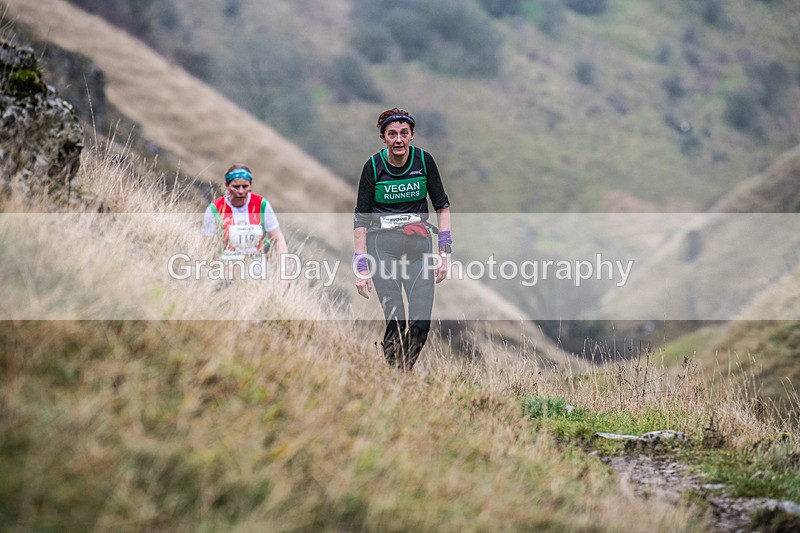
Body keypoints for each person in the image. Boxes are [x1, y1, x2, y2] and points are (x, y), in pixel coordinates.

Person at [353, 108, 452, 371]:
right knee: (396, 321)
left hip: (419, 250)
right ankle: (394, 377)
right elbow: (360, 220)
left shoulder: (424, 161)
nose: (399, 140)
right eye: (392, 134)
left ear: (412, 136)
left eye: (404, 134)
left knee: (421, 324)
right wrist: (361, 268)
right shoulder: (373, 167)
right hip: (381, 249)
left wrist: (445, 253)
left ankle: (400, 372)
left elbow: (442, 206)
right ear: (383, 137)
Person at [202, 164, 290, 289]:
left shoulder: (261, 205)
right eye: (236, 187)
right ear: (227, 186)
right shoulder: (215, 209)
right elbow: (205, 246)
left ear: (251, 186)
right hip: (226, 266)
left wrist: (284, 274)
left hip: (257, 265)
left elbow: (278, 238)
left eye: (245, 186)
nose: (241, 191)